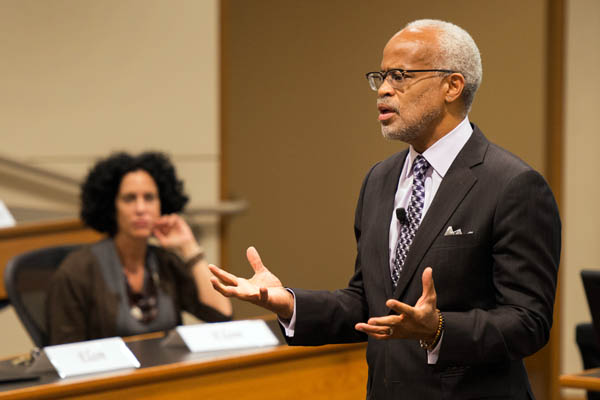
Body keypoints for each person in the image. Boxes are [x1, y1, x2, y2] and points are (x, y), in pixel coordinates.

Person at [208, 19, 561, 399]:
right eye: (381, 76)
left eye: (399, 75)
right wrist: (289, 303)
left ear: (452, 86)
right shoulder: (380, 179)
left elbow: (528, 322)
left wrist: (439, 328)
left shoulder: (513, 185)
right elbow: (367, 302)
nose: (384, 90)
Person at [47, 152, 232, 345]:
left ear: (161, 204)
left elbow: (222, 316)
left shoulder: (165, 262)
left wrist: (189, 247)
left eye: (149, 198)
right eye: (129, 199)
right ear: (112, 207)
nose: (141, 208)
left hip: (168, 370)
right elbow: (65, 352)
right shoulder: (77, 271)